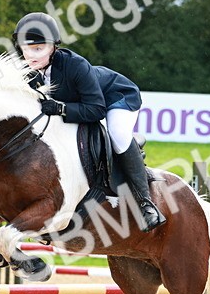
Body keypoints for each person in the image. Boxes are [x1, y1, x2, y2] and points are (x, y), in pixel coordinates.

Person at [12, 12, 165, 231]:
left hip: (117, 97)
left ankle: (145, 203)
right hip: (84, 104)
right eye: (26, 48)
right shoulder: (27, 72)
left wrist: (62, 108)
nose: (31, 55)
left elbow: (96, 109)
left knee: (118, 137)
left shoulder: (75, 65)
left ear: (53, 47)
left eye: (39, 49)